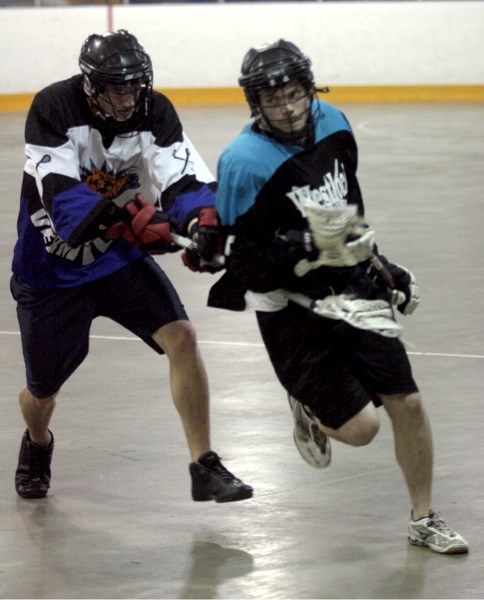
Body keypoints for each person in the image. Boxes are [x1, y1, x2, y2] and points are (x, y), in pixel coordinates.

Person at [206, 39, 468, 552]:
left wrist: (381, 265)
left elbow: (348, 211)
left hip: (353, 287)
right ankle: (306, 403)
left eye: (294, 93)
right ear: (254, 103)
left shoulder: (335, 123)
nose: (285, 107)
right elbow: (242, 263)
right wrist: (303, 246)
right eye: (271, 98)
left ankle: (423, 518)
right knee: (362, 429)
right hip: (291, 309)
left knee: (408, 402)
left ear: (310, 87)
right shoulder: (243, 162)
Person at [11, 29, 252, 504]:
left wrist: (201, 222)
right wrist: (134, 219)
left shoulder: (153, 109)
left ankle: (203, 464)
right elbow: (62, 200)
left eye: (134, 87)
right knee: (42, 393)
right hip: (52, 272)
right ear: (91, 86)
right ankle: (38, 443)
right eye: (117, 89)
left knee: (181, 335)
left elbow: (180, 175)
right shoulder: (52, 107)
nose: (128, 99)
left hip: (117, 262)